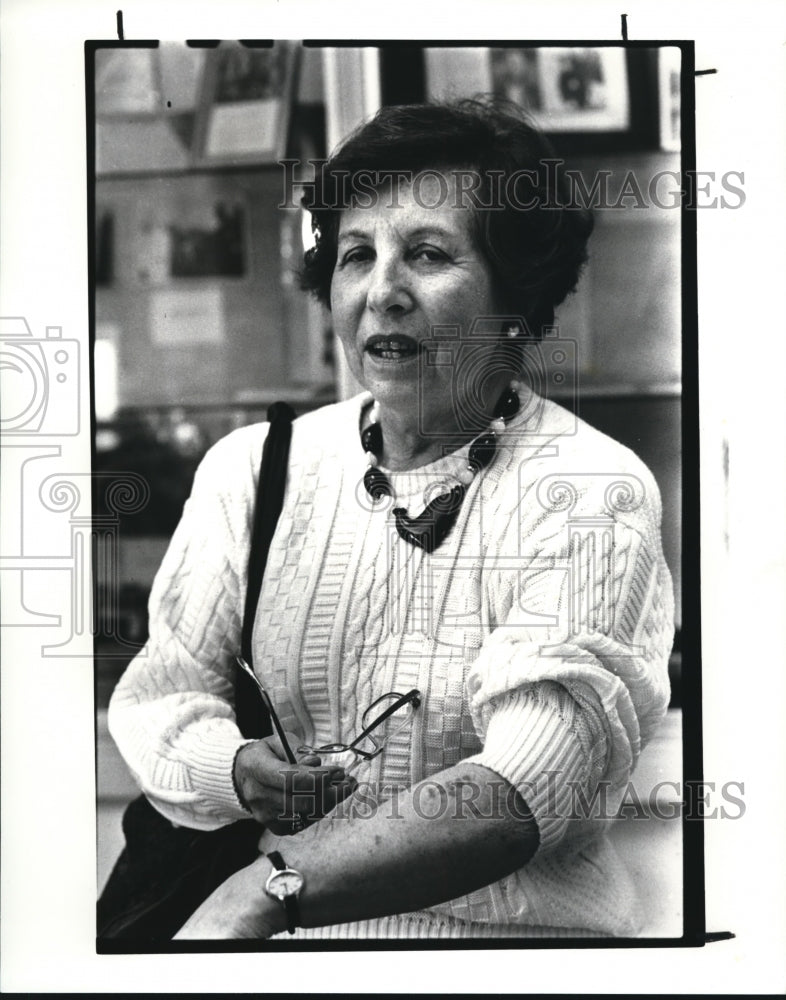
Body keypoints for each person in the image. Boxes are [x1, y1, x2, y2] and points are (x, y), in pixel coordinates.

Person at [107, 98, 674, 939]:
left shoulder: (593, 489)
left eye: (428, 255)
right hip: (269, 949)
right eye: (356, 255)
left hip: (503, 957)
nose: (382, 292)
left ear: (514, 294)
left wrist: (263, 892)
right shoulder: (253, 468)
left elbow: (527, 780)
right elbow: (164, 694)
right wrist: (234, 770)